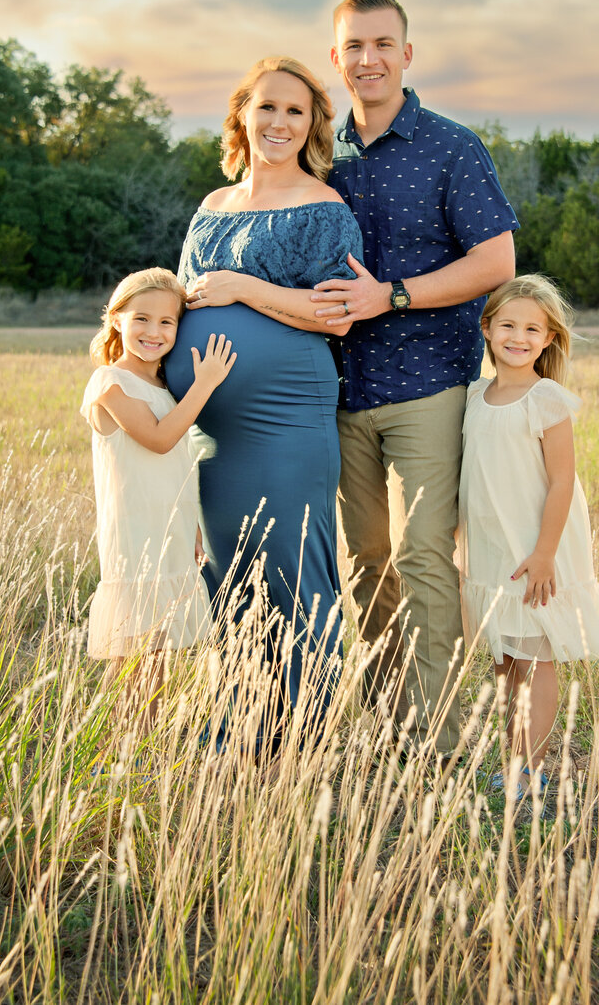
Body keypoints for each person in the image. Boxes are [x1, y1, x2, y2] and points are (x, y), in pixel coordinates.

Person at [311, 0, 518, 757]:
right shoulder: (316, 153)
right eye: (353, 47)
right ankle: (387, 723)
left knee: (422, 554)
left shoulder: (452, 146)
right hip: (336, 389)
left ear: (406, 53)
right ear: (336, 59)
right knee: (364, 558)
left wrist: (389, 296)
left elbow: (496, 261)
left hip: (428, 382)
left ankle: (435, 739)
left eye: (382, 44)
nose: (367, 59)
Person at [163, 56, 364, 752]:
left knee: (289, 569)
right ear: (243, 114)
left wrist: (241, 288)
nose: (280, 122)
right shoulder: (211, 207)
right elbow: (186, 298)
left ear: (312, 127)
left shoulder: (323, 208)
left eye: (296, 111)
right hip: (209, 429)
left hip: (285, 418)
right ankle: (245, 718)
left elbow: (337, 315)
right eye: (268, 107)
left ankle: (307, 731)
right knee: (227, 572)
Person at [457, 274, 599, 798]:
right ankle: (513, 757)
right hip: (490, 548)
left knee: (534, 659)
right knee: (504, 660)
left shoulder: (545, 398)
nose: (518, 337)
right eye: (508, 325)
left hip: (533, 548)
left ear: (548, 340)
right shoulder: (475, 395)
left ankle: (531, 768)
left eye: (532, 329)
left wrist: (545, 553)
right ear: (486, 328)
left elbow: (563, 479)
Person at [82, 267, 236, 730]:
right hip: (135, 534)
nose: (153, 331)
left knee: (160, 656)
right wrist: (207, 382)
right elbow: (159, 440)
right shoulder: (109, 381)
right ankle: (120, 754)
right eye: (141, 319)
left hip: (168, 529)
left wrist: (190, 526)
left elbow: (176, 467)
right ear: (116, 320)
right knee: (135, 656)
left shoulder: (162, 388)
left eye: (166, 322)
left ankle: (144, 752)